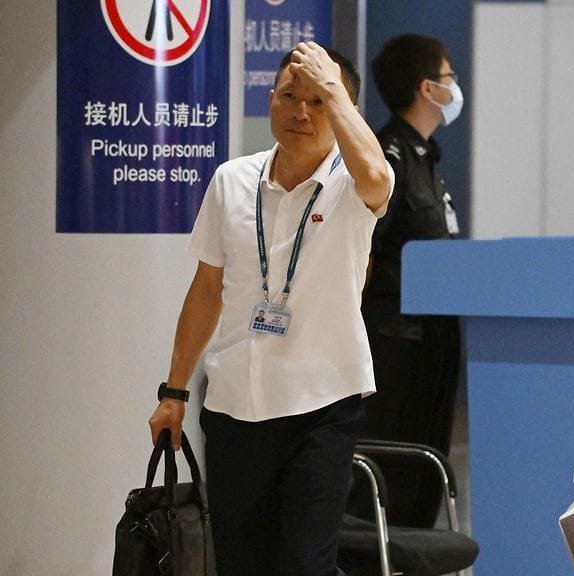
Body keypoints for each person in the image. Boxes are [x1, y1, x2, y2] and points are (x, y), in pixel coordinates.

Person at [147, 42, 393, 576]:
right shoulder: (232, 181)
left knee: (306, 563)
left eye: (319, 101)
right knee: (240, 562)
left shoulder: (355, 185)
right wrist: (174, 391)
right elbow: (206, 289)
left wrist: (335, 87)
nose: (300, 112)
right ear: (270, 99)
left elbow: (376, 172)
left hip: (321, 406)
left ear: (344, 110)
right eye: (288, 97)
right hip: (234, 406)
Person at [357, 34, 463, 528]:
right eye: (449, 77)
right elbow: (365, 254)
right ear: (428, 88)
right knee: (393, 472)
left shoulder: (427, 157)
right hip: (394, 346)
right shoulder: (386, 158)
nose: (455, 86)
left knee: (427, 466)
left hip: (433, 343)